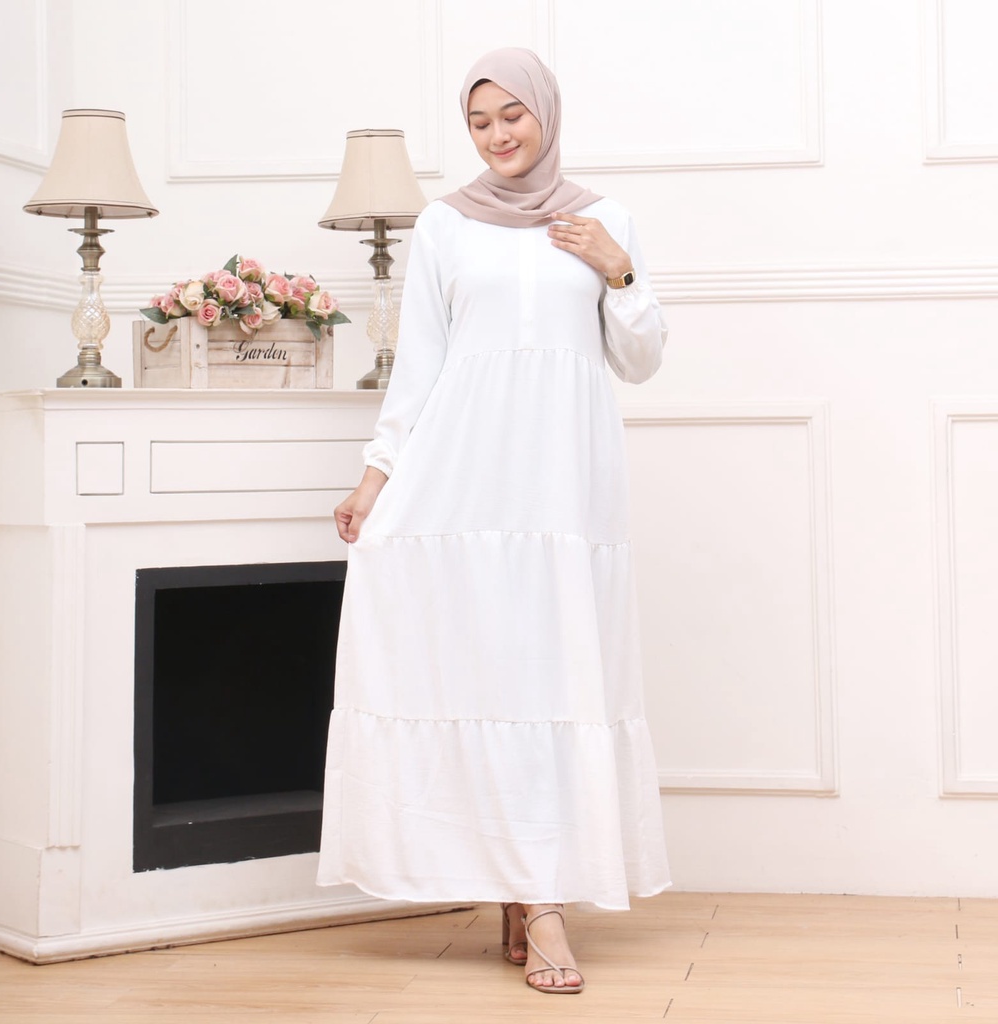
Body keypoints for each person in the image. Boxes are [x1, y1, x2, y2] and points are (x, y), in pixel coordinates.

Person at [317, 47, 671, 995]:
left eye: (512, 114)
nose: (497, 135)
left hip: (563, 489)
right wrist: (375, 479)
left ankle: (534, 889)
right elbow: (421, 367)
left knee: (552, 677)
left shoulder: (603, 219)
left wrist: (618, 271)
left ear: (546, 112)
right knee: (484, 672)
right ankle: (535, 897)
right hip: (465, 480)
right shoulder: (445, 224)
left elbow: (640, 361)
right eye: (479, 122)